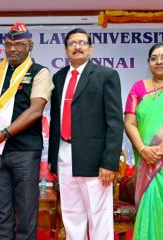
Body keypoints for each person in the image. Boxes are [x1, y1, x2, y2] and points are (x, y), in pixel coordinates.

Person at [0, 22, 53, 240]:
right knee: (0, 211)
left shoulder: (40, 72)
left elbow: (35, 111)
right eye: (9, 44)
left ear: (30, 45)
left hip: (24, 152)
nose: (12, 49)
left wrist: (3, 134)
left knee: (26, 210)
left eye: (18, 44)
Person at [48, 28, 124, 240]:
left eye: (82, 43)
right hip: (64, 155)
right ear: (66, 50)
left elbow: (115, 122)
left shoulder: (106, 75)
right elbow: (56, 119)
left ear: (91, 49)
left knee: (99, 215)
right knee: (72, 214)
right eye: (72, 43)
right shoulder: (59, 77)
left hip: (95, 159)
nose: (77, 47)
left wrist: (109, 162)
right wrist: (53, 158)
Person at [124, 43, 163, 240]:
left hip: (159, 157)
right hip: (145, 157)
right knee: (149, 203)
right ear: (148, 63)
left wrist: (159, 150)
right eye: (154, 58)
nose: (159, 61)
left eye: (162, 57)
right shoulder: (138, 88)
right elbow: (129, 122)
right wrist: (142, 148)